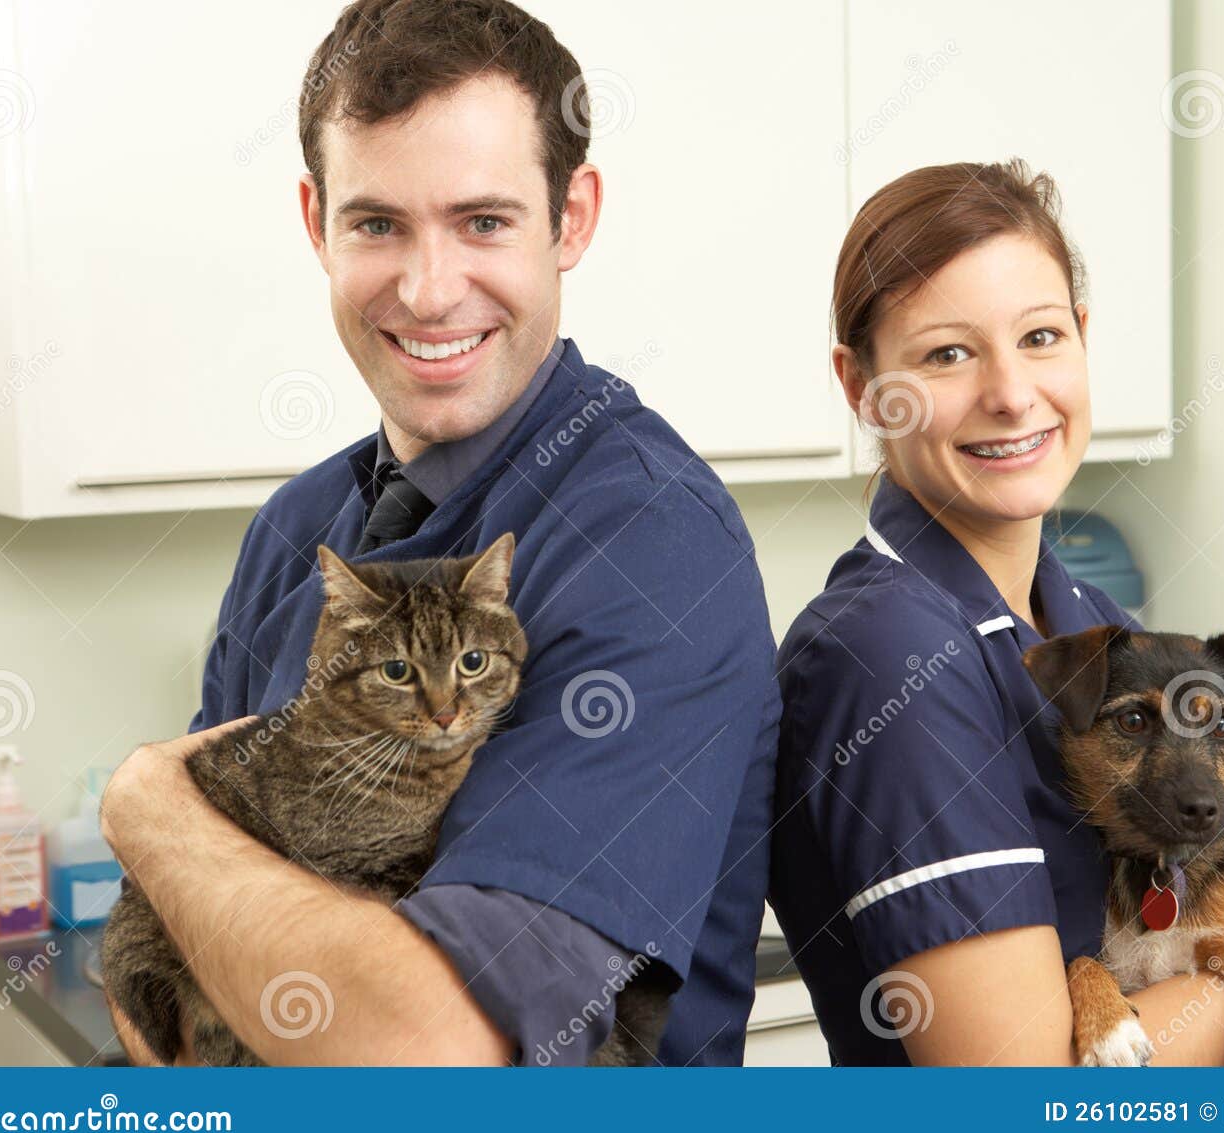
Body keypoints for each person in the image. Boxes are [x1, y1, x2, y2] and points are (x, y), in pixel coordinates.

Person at [99, 0, 778, 1067]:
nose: (427, 290)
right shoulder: (293, 533)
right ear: (316, 222)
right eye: (377, 224)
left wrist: (144, 804)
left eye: (484, 222)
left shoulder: (651, 544)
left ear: (571, 219)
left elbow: (433, 1060)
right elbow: (165, 951)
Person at [769, 159, 1224, 1065]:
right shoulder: (887, 653)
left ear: (1084, 338)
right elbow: (1017, 1089)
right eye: (947, 354)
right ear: (861, 386)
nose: (1013, 394)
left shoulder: (1085, 614)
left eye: (1041, 336)